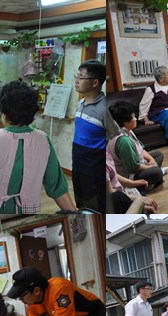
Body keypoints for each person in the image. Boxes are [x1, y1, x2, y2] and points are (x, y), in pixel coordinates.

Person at [0, 80, 75, 214]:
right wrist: (76, 215)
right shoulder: (44, 140)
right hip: (28, 214)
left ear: (4, 113)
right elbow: (57, 187)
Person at [108, 100, 168, 194]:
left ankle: (153, 178)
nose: (136, 119)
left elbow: (141, 148)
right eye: (133, 117)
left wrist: (151, 160)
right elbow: (133, 168)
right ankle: (145, 183)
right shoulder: (123, 141)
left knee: (158, 155)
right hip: (128, 175)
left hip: (138, 162)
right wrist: (149, 167)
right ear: (125, 121)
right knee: (157, 173)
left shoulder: (127, 130)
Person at [73, 59, 107, 213]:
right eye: (77, 76)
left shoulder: (104, 109)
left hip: (94, 169)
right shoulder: (81, 103)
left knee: (95, 208)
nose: (76, 81)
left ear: (95, 82)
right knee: (81, 204)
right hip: (78, 164)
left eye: (81, 77)